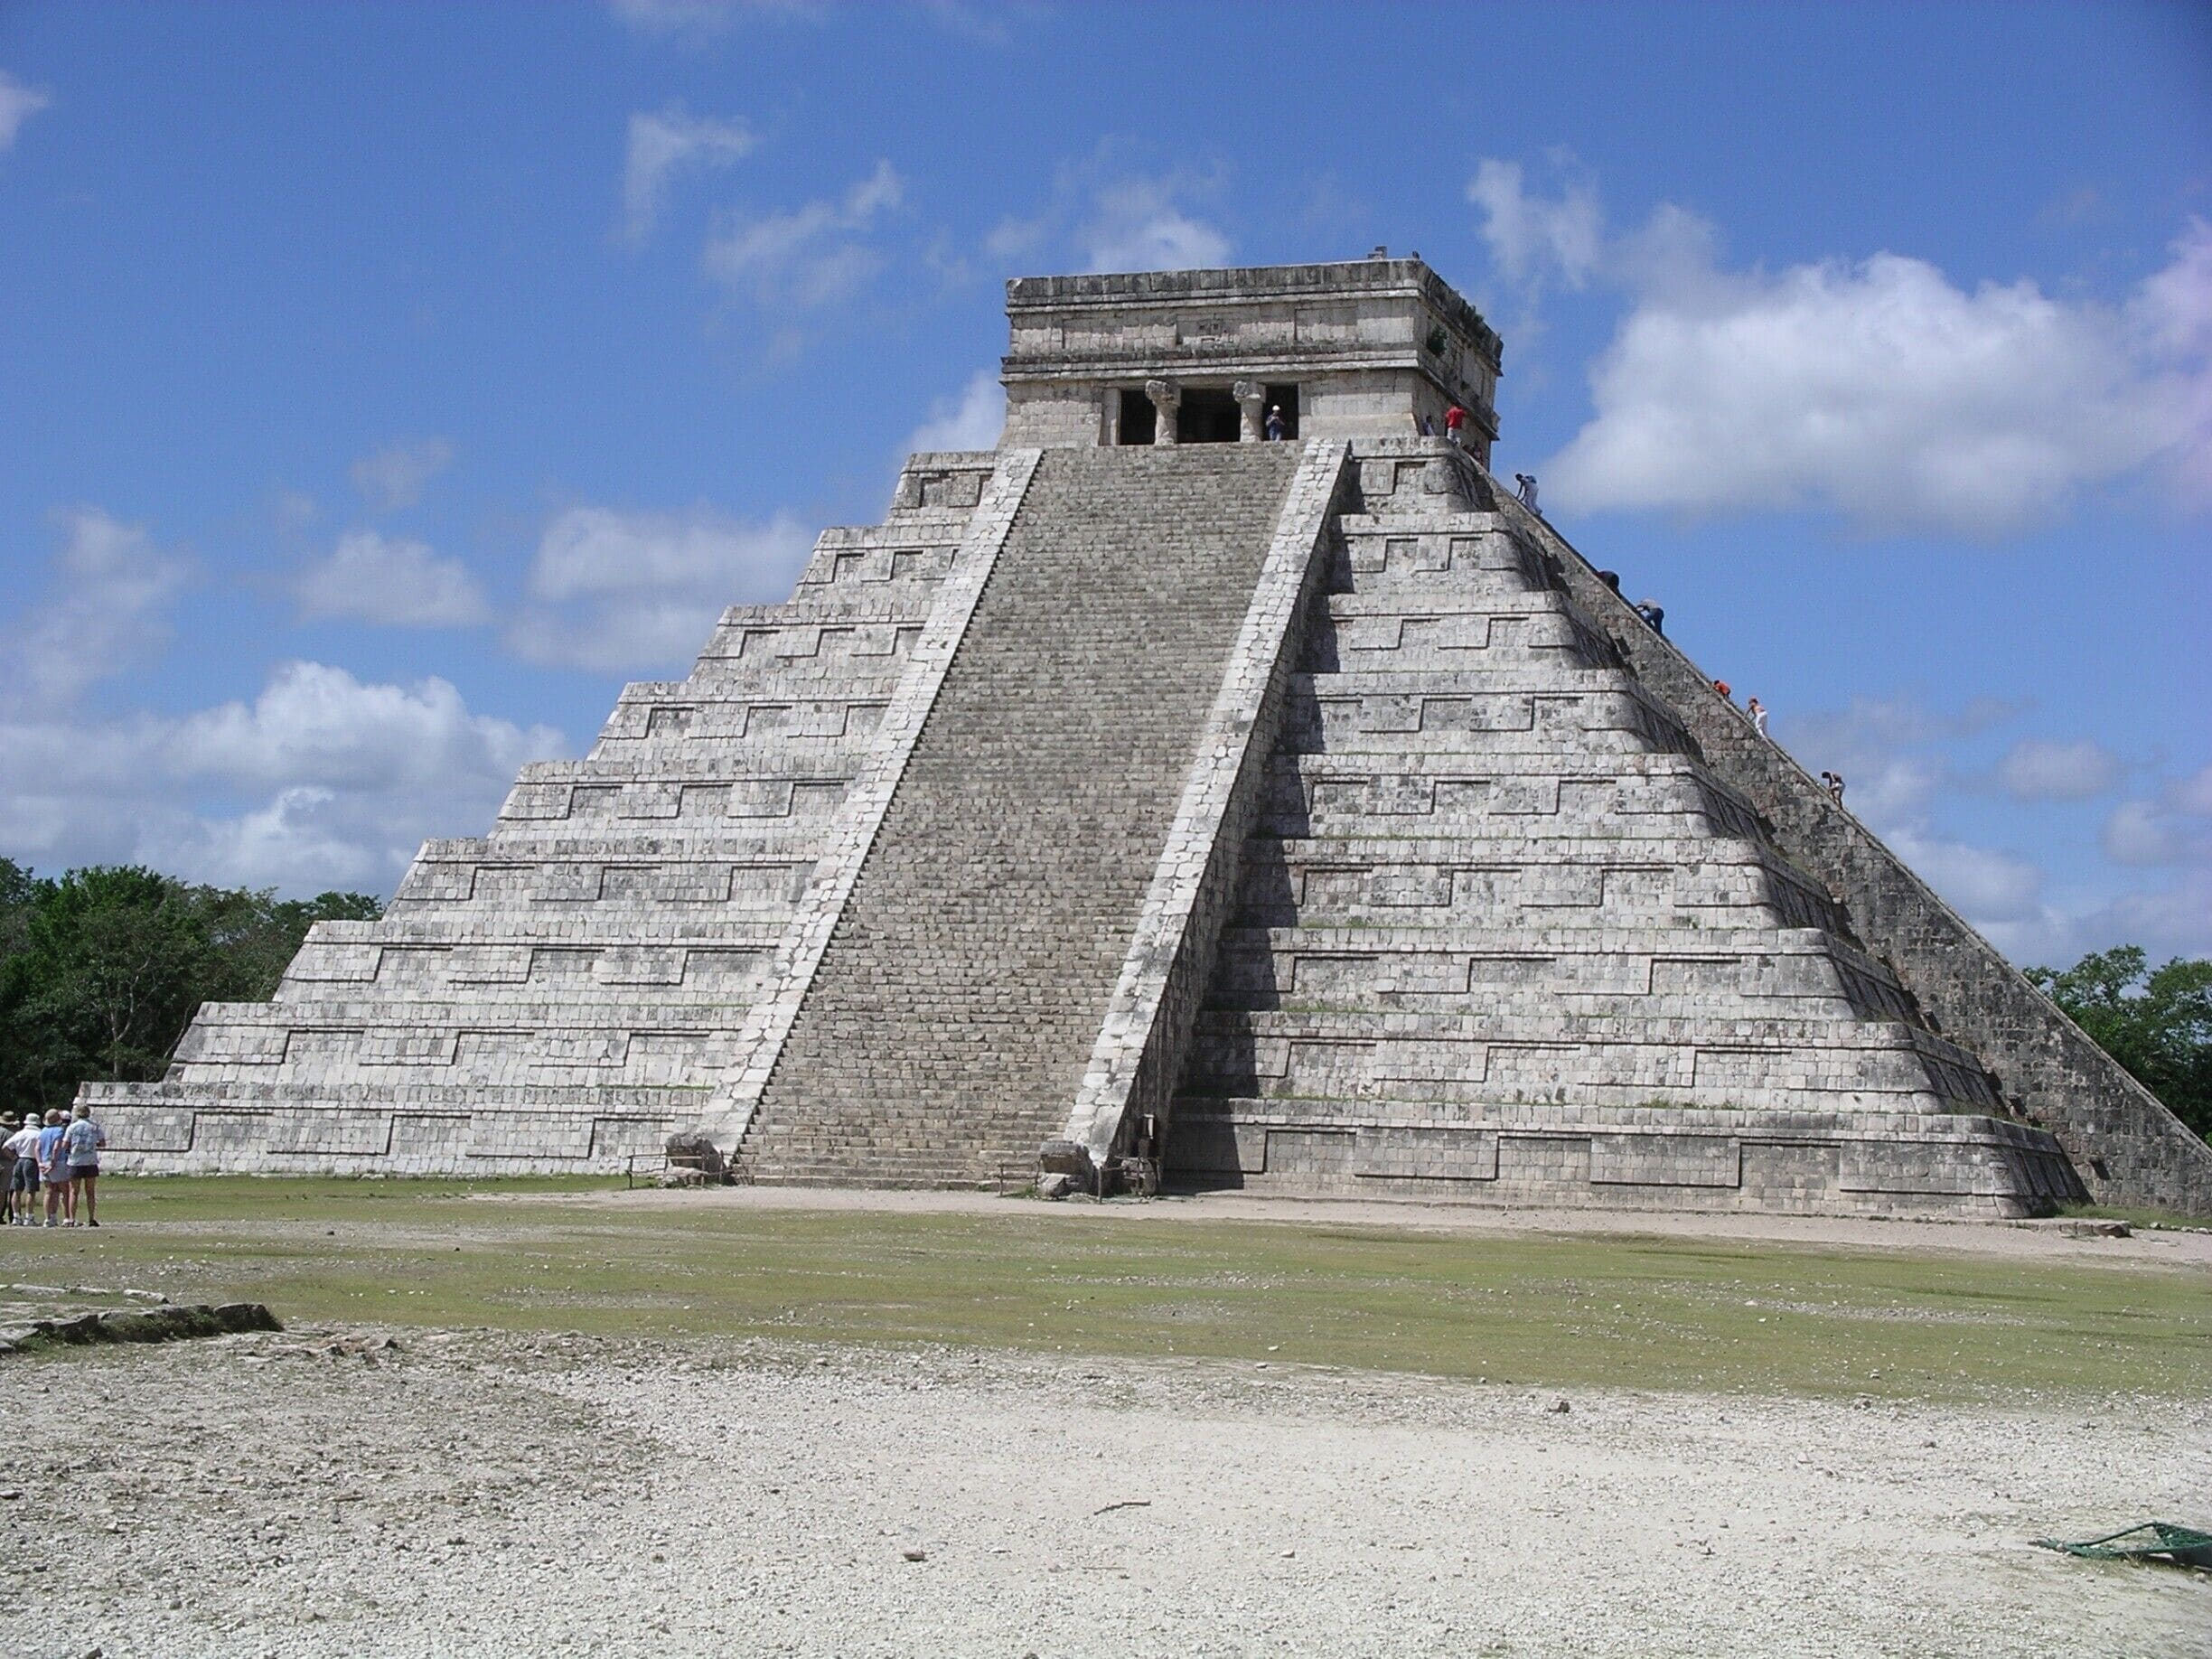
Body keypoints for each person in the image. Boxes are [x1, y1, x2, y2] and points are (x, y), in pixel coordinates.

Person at [62, 1105, 104, 1229]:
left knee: (74, 1191)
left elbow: (65, 1144)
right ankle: (91, 1218)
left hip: (75, 1161)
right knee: (90, 1191)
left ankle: (71, 1218)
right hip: (90, 1161)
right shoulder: (95, 1127)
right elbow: (102, 1143)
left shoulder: (72, 1127)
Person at [4, 1115, 39, 1225]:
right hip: (31, 1160)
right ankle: (29, 1217)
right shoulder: (38, 1134)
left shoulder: (19, 1134)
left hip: (19, 1160)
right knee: (31, 1190)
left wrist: (13, 1157)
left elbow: (5, 1146)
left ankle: (16, 1217)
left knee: (17, 1190)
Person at [38, 1110, 69, 1227]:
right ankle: (67, 1217)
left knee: (49, 1191)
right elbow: (56, 1148)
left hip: (44, 1161)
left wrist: (40, 1162)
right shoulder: (60, 1131)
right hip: (57, 1162)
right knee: (64, 1191)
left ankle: (48, 1218)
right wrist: (53, 1162)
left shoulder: (43, 1131)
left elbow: (37, 1148)